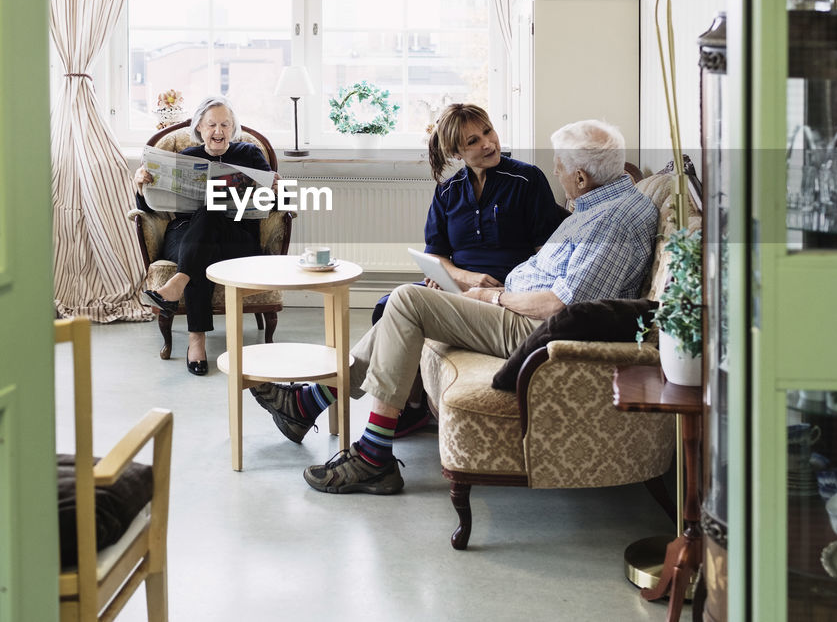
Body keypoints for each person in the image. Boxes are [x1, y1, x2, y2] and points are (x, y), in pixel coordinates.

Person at [250, 119, 658, 494]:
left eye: (561, 168)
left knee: (407, 300)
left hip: (528, 324)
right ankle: (313, 407)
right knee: (401, 301)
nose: (556, 173)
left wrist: (492, 295)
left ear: (582, 177)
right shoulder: (594, 206)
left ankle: (367, 451)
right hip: (513, 307)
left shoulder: (614, 219)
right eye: (472, 140)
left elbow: (558, 305)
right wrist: (464, 283)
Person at [374, 103, 564, 435]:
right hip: (457, 286)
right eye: (473, 141)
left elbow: (544, 255)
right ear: (457, 152)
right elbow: (437, 255)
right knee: (386, 305)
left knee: (402, 305)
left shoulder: (526, 179)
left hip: (503, 293)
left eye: (488, 132)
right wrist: (459, 277)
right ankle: (413, 404)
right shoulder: (448, 191)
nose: (488, 144)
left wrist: (491, 289)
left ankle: (324, 397)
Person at [133, 95, 274, 376]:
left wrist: (275, 187)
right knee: (203, 233)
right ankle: (196, 336)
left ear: (233, 127)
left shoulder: (250, 154)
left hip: (237, 236)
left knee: (210, 218)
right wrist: (140, 186)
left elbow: (270, 203)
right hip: (185, 234)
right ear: (199, 126)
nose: (218, 131)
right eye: (211, 125)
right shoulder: (185, 159)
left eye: (225, 124)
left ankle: (182, 298)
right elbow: (152, 207)